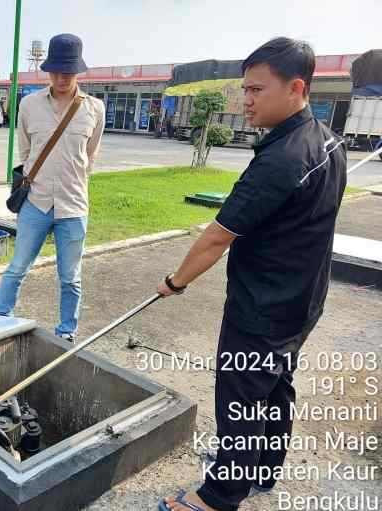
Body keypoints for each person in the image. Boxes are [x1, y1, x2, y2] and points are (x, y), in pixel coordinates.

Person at [158, 37, 347, 511]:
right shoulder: (325, 140)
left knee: (240, 395)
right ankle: (261, 468)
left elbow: (219, 235)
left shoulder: (281, 160)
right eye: (245, 89)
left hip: (263, 307)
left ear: (296, 87)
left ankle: (220, 494)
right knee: (276, 385)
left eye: (257, 90)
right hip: (302, 302)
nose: (246, 100)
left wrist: (175, 282)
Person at [0, 33, 105, 342]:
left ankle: (67, 332)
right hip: (36, 204)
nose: (61, 77)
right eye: (55, 70)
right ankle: (0, 321)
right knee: (17, 268)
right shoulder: (29, 105)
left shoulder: (95, 109)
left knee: (70, 278)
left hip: (73, 206)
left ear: (78, 71)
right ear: (47, 70)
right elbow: (26, 152)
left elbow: (90, 155)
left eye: (67, 71)